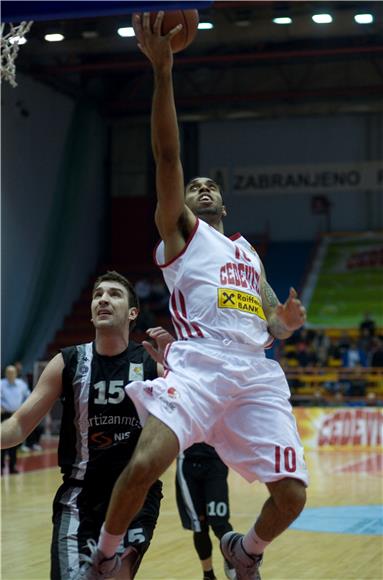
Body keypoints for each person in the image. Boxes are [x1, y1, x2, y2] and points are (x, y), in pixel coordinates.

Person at [83, 13, 308, 580]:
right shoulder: (183, 235)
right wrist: (164, 71)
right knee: (146, 462)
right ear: (182, 205)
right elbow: (166, 157)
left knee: (294, 495)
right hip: (201, 364)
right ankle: (107, 556)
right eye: (193, 186)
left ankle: (246, 552)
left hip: (255, 372)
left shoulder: (248, 254)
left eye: (212, 186)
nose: (201, 187)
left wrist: (284, 321)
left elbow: (273, 325)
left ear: (224, 206)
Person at [0, 271, 170, 580]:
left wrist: (180, 371)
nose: (103, 299)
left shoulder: (153, 365)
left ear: (133, 313)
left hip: (135, 495)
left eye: (114, 294)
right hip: (80, 497)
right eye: (97, 295)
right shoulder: (68, 362)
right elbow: (17, 426)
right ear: (91, 312)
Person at [176, 443, 235, 580]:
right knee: (199, 525)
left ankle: (232, 560)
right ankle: (208, 575)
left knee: (220, 524)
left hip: (215, 460)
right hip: (187, 462)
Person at [1, 365, 30, 474]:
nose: (11, 374)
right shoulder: (1, 384)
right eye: (8, 372)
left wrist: (23, 409)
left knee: (14, 441)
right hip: (4, 415)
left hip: (17, 416)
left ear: (16, 373)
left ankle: (12, 467)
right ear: (6, 373)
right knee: (2, 441)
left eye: (12, 372)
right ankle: (1, 466)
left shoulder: (21, 385)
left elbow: (28, 397)